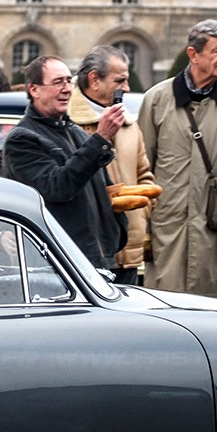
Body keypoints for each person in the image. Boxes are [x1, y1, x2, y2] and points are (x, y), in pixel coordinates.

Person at [140, 20, 217, 298]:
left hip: (215, 231)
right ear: (194, 55)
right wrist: (142, 231)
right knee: (166, 318)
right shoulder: (156, 99)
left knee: (215, 319)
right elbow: (141, 171)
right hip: (167, 232)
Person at [3, 55, 126, 273]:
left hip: (97, 261)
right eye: (58, 82)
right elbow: (57, 187)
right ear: (34, 90)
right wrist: (101, 138)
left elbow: (103, 190)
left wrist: (118, 231)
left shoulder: (76, 133)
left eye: (69, 81)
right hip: (57, 265)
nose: (67, 89)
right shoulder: (22, 139)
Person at [69, 45, 157, 283]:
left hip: (128, 251)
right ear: (94, 80)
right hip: (85, 254)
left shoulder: (130, 125)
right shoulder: (68, 125)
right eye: (120, 81)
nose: (127, 88)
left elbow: (145, 177)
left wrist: (140, 215)